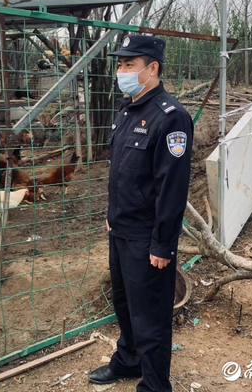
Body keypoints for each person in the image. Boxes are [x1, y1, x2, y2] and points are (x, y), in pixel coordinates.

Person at [88, 35, 193, 391]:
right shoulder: (128, 109)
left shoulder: (171, 117)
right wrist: (112, 214)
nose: (122, 71)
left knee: (150, 316)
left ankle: (154, 384)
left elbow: (172, 188)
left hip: (148, 239)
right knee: (124, 304)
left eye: (129, 65)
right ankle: (128, 361)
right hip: (120, 230)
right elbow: (123, 172)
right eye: (120, 65)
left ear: (153, 69)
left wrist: (163, 244)